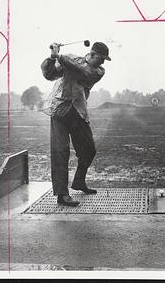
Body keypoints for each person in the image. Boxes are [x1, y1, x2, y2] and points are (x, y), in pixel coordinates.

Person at [41, 41, 111, 206]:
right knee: (60, 151)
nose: (102, 63)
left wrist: (60, 56)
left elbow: (83, 72)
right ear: (92, 54)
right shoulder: (71, 60)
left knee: (89, 149)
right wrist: (52, 58)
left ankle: (79, 181)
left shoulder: (98, 71)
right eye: (101, 59)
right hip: (59, 111)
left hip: (78, 112)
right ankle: (62, 194)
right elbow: (49, 75)